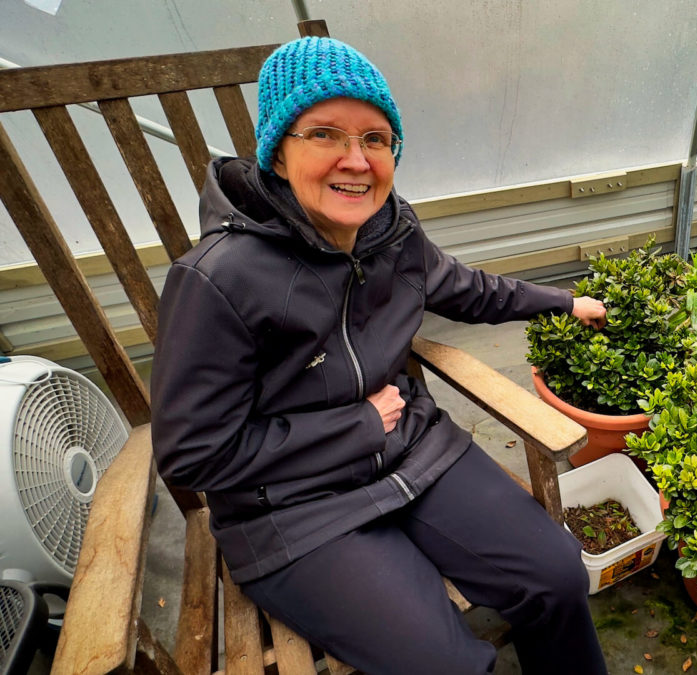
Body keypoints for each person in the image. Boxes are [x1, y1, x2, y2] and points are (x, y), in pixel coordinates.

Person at [150, 36, 609, 675]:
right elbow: (192, 453)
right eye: (325, 134)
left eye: (374, 138)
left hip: (413, 455)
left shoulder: (392, 230)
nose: (356, 159)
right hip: (294, 511)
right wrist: (358, 425)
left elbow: (466, 289)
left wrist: (560, 302)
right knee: (446, 665)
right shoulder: (217, 281)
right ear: (278, 154)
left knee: (559, 577)